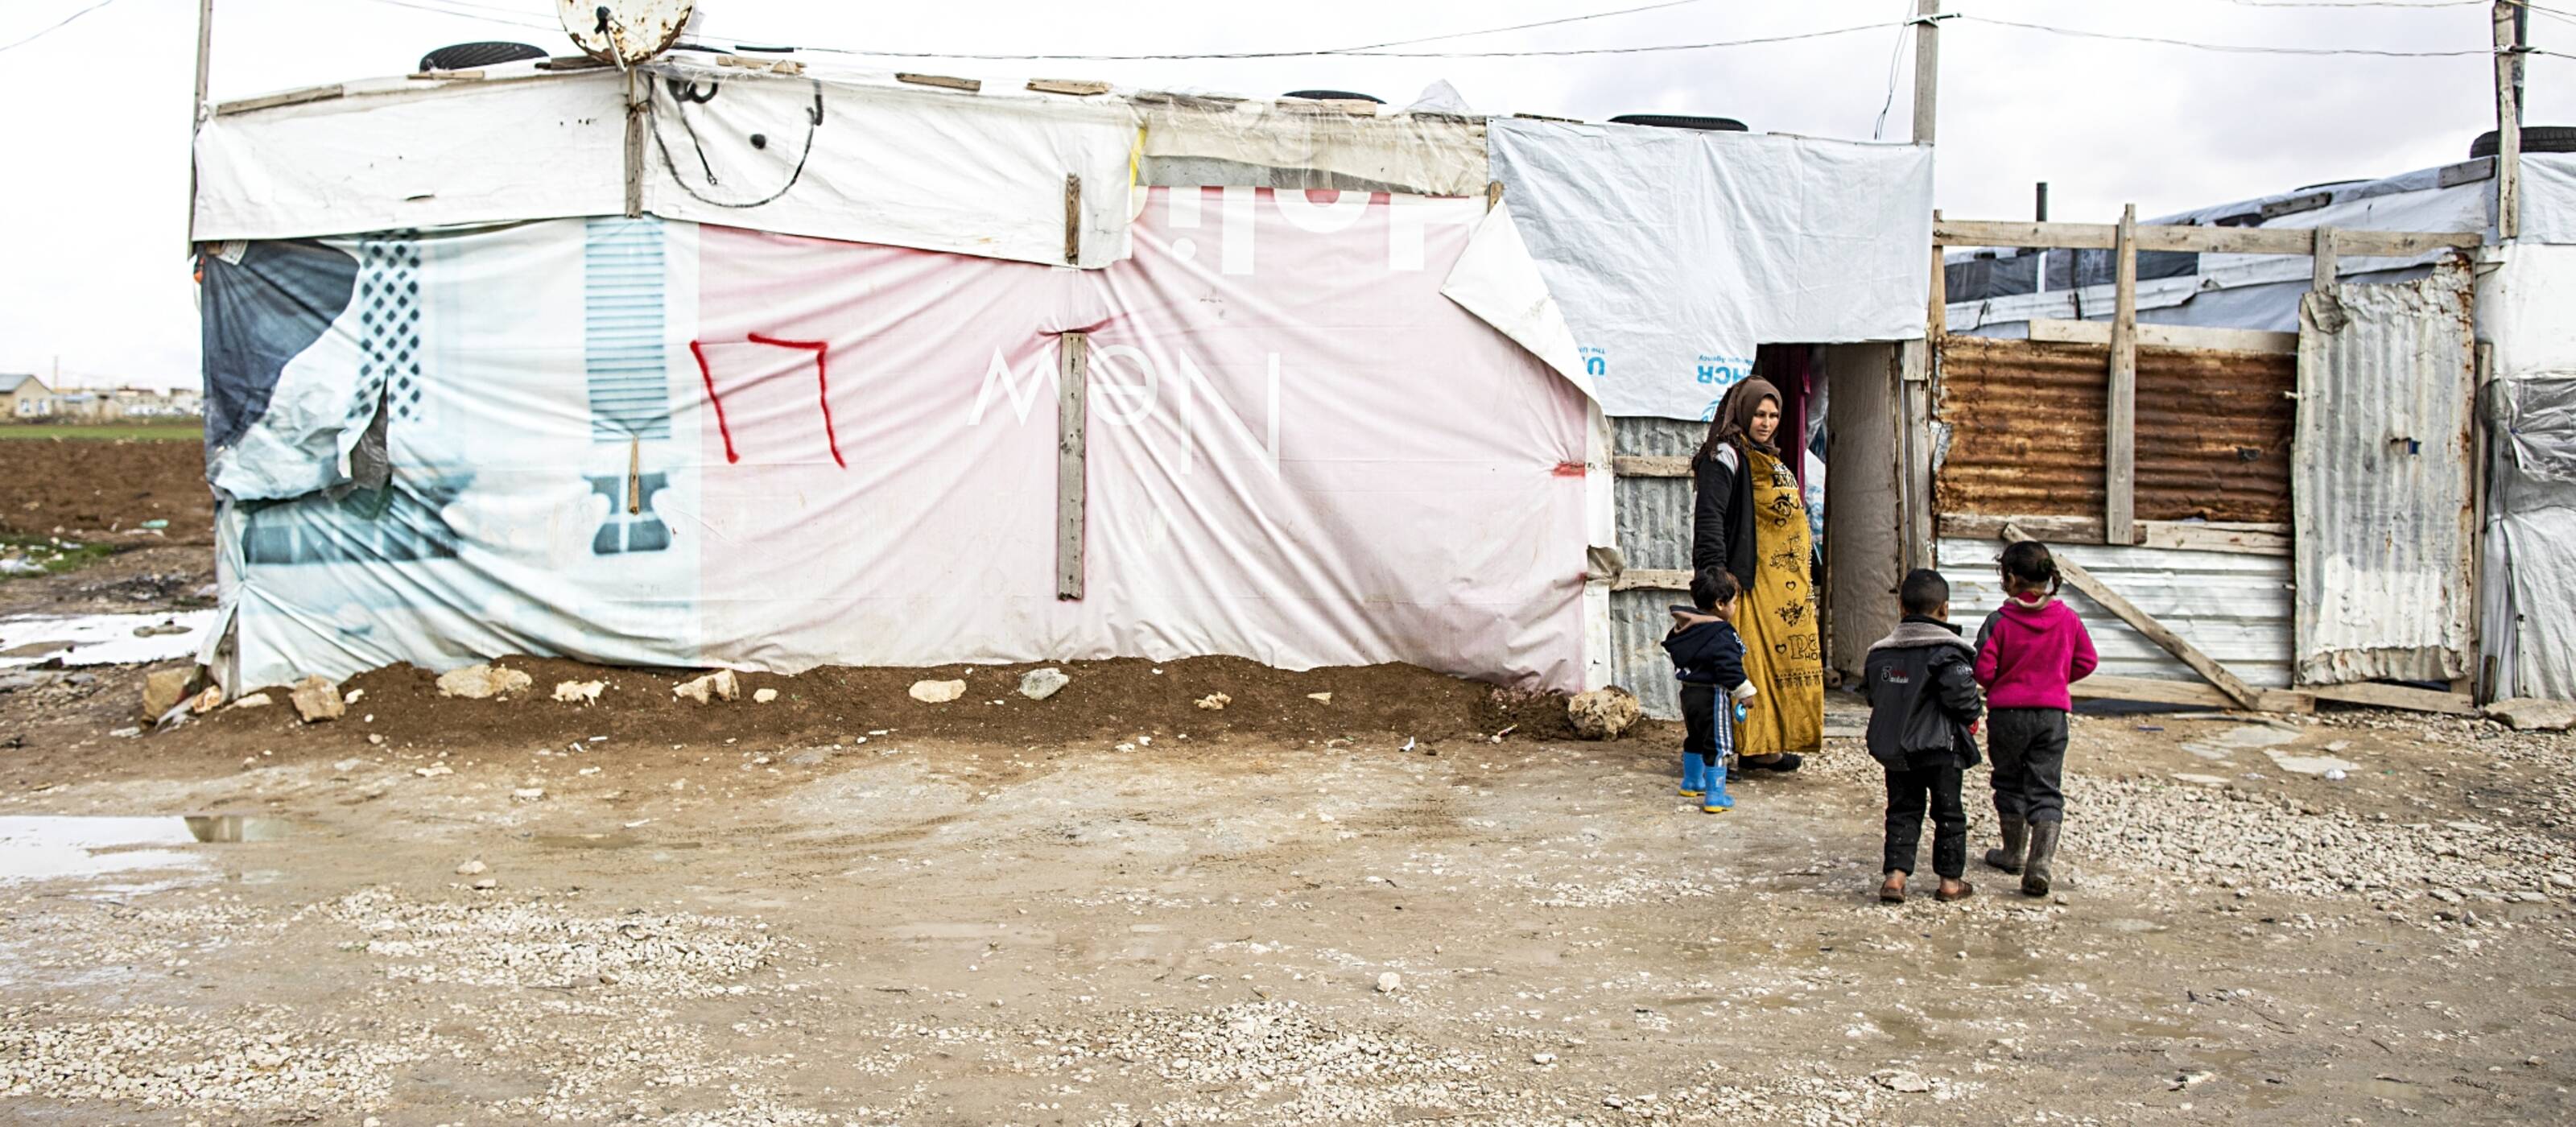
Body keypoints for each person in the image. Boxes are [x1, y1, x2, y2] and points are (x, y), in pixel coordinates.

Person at [1690, 378, 1824, 777]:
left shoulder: (1768, 457)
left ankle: (1765, 747)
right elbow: (1710, 516)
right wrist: (1716, 575)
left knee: (1778, 666)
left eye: (1774, 415)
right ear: (1744, 413)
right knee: (1739, 664)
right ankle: (1727, 749)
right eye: (1759, 414)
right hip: (1746, 583)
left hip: (1782, 590)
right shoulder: (1725, 456)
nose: (1767, 422)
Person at [1974, 539, 2100, 898]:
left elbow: (1983, 670)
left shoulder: (1999, 621)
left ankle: (2012, 853)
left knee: (2010, 782)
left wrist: (2006, 681)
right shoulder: (2068, 619)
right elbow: (2087, 662)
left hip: (2007, 716)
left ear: (2010, 578)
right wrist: (2055, 680)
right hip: (2052, 715)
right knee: (2046, 787)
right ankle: (2040, 864)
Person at [1862, 568, 1984, 904]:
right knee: (1948, 813)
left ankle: (1895, 878)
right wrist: (1973, 714)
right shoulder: (1948, 651)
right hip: (1940, 749)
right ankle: (1949, 883)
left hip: (1897, 751)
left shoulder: (1880, 653)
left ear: (1901, 607)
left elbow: (1872, 695)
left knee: (1902, 810)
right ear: (1944, 610)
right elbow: (1961, 696)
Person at [1663, 569, 1757, 814]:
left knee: (1695, 738)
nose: (1735, 608)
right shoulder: (1721, 633)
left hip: (1688, 694)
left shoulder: (1684, 629)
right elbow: (1729, 667)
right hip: (1713, 695)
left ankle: (1692, 782)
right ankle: (1716, 796)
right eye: (1734, 602)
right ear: (1720, 604)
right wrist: (1745, 693)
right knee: (1720, 744)